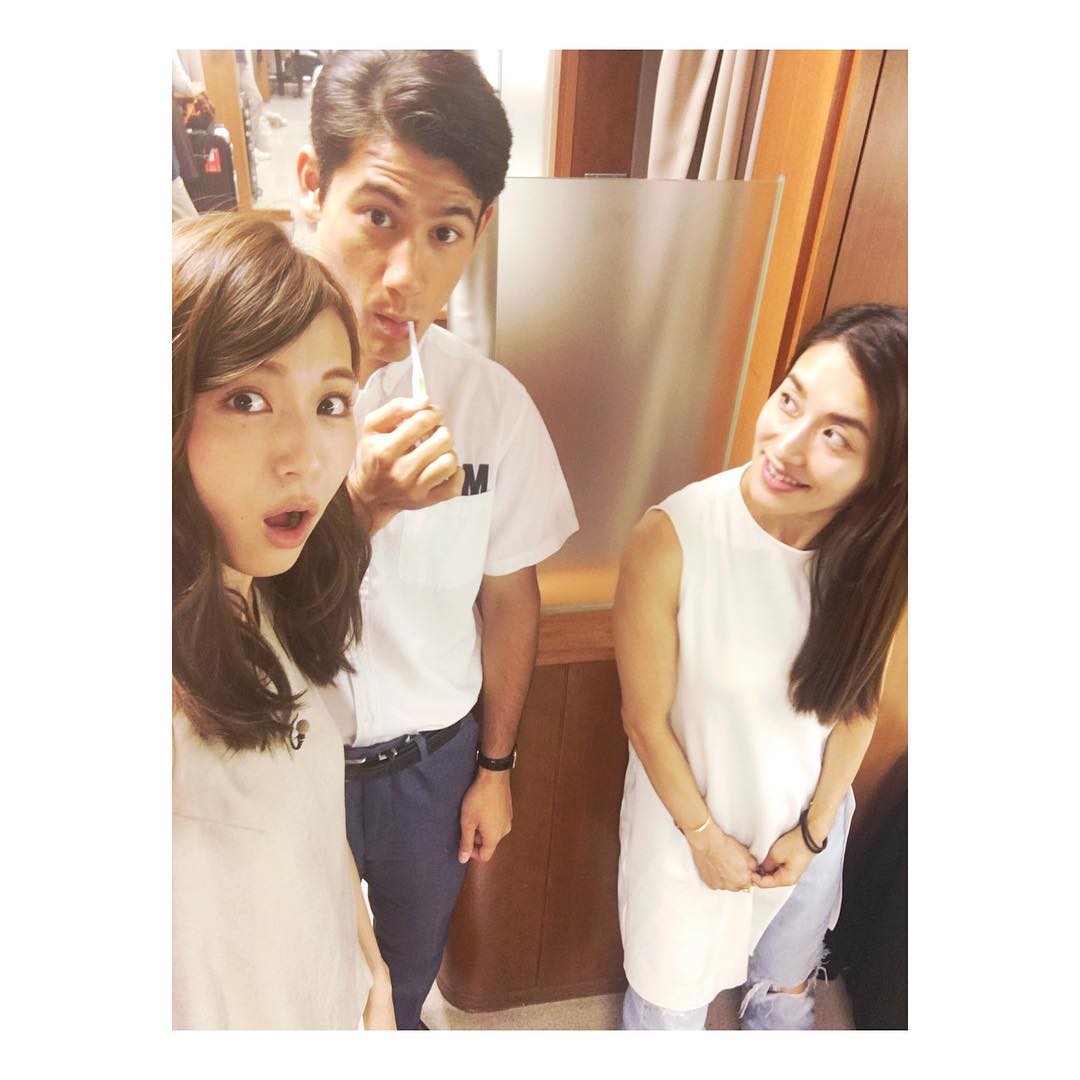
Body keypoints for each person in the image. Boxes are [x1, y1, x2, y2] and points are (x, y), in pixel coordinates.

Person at [295, 50, 578, 1029]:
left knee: (407, 977)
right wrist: (358, 507)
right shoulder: (227, 394)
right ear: (311, 185)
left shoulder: (490, 408)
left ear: (480, 231)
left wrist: (495, 767)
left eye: (445, 232)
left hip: (432, 769)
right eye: (378, 216)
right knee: (301, 988)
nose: (405, 276)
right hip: (289, 759)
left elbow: (508, 595)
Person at [614, 303, 907, 1030]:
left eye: (835, 435)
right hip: (689, 831)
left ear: (885, 472)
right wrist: (704, 838)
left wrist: (811, 835)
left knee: (784, 992)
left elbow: (856, 707)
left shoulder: (872, 561)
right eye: (790, 400)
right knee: (667, 1009)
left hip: (806, 827)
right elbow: (644, 720)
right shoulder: (673, 537)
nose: (787, 444)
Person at [172, 212, 395, 1030]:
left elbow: (311, 820)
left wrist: (366, 963)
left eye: (331, 401)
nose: (306, 454)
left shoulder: (264, 593)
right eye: (247, 399)